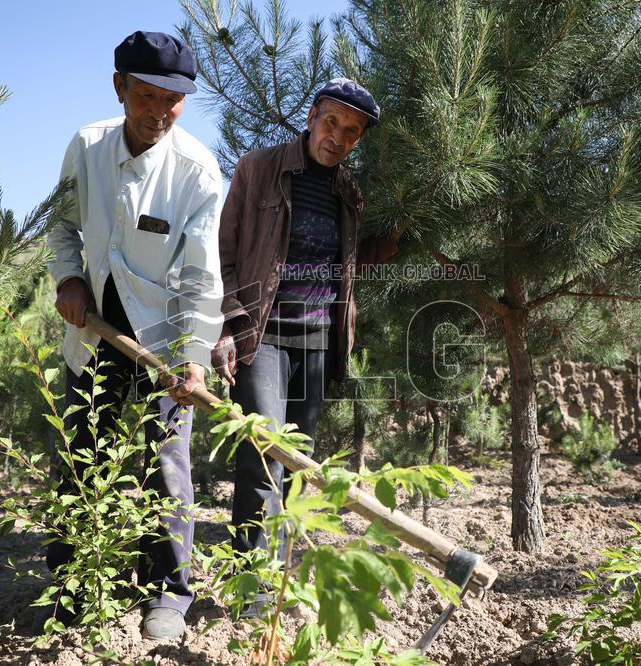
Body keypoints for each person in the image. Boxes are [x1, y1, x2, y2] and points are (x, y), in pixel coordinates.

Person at [40, 30, 222, 641]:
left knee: (166, 464)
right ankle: (75, 587)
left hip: (164, 345)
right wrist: (69, 278)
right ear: (119, 87)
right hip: (92, 334)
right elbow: (61, 229)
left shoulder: (196, 171)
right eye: (147, 96)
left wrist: (193, 361)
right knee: (82, 455)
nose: (160, 113)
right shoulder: (87, 148)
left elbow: (201, 277)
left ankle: (169, 595)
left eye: (174, 101)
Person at [212, 78, 391, 615]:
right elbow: (223, 250)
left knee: (300, 465)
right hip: (262, 333)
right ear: (312, 116)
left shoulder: (348, 192)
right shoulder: (259, 168)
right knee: (265, 452)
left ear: (357, 140)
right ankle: (252, 589)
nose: (337, 137)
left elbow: (349, 263)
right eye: (331, 122)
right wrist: (227, 323)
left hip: (317, 341)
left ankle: (280, 579)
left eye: (350, 132)